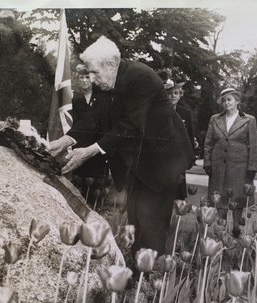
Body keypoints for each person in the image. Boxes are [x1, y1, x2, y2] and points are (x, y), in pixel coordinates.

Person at [50, 36, 194, 256]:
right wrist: (65, 140)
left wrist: (89, 151)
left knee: (151, 226)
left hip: (160, 164)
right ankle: (139, 277)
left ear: (110, 65)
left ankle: (151, 280)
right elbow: (92, 120)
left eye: (94, 73)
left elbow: (130, 125)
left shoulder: (140, 77)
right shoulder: (104, 82)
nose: (92, 79)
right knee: (137, 223)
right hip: (138, 165)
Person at [48, 64, 110, 197]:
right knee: (79, 183)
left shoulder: (101, 98)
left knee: (96, 187)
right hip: (79, 144)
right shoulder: (74, 99)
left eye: (87, 77)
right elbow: (73, 121)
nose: (84, 80)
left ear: (92, 79)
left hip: (96, 147)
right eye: (81, 77)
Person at [203, 87, 257, 238]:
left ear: (237, 101)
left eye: (229, 99)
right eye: (224, 100)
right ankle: (221, 226)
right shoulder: (215, 119)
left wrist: (252, 167)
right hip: (219, 164)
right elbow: (208, 143)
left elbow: (253, 145)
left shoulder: (248, 120)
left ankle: (235, 228)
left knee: (237, 196)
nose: (226, 103)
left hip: (239, 165)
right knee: (219, 194)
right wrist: (207, 162)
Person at [164, 78, 196, 199]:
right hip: (161, 159)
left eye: (176, 93)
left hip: (179, 160)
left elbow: (190, 137)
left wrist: (190, 159)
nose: (172, 96)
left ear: (180, 95)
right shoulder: (158, 112)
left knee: (177, 197)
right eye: (169, 93)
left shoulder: (185, 113)